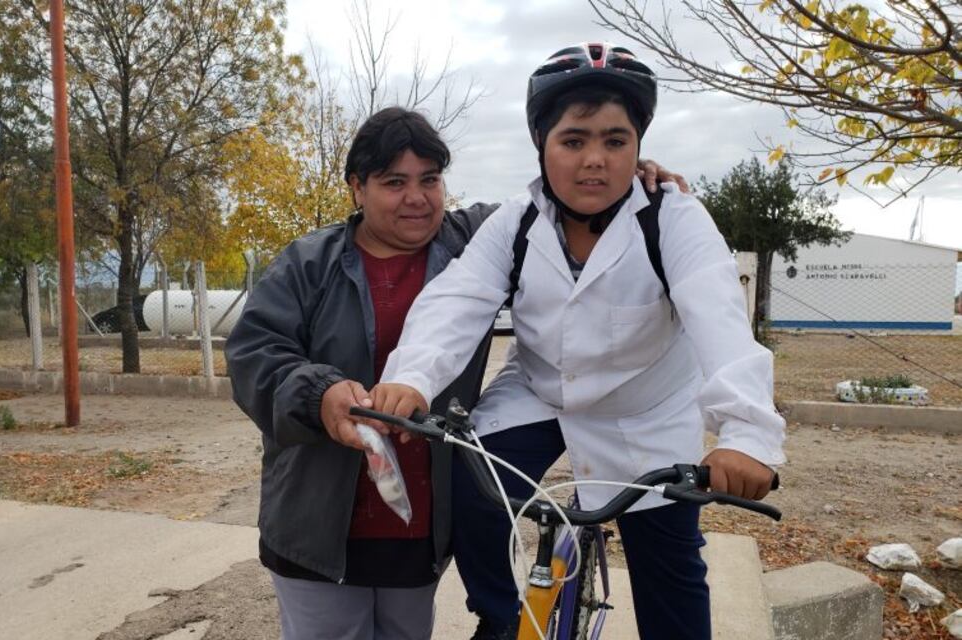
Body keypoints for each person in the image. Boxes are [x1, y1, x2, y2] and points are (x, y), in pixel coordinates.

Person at [374, 43, 786, 640]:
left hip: (646, 413)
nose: (595, 160)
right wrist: (410, 376)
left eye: (615, 141)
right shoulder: (516, 221)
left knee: (669, 571)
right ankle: (501, 618)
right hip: (541, 393)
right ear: (542, 144)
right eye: (574, 141)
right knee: (476, 496)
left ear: (639, 148)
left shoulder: (673, 218)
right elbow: (456, 300)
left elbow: (720, 319)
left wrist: (746, 433)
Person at [225, 105, 683, 640]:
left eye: (430, 180)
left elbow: (561, 201)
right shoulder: (309, 264)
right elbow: (255, 354)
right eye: (394, 182)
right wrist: (319, 396)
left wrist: (619, 174)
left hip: (419, 521)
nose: (417, 198)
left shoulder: (475, 239)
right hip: (319, 518)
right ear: (356, 187)